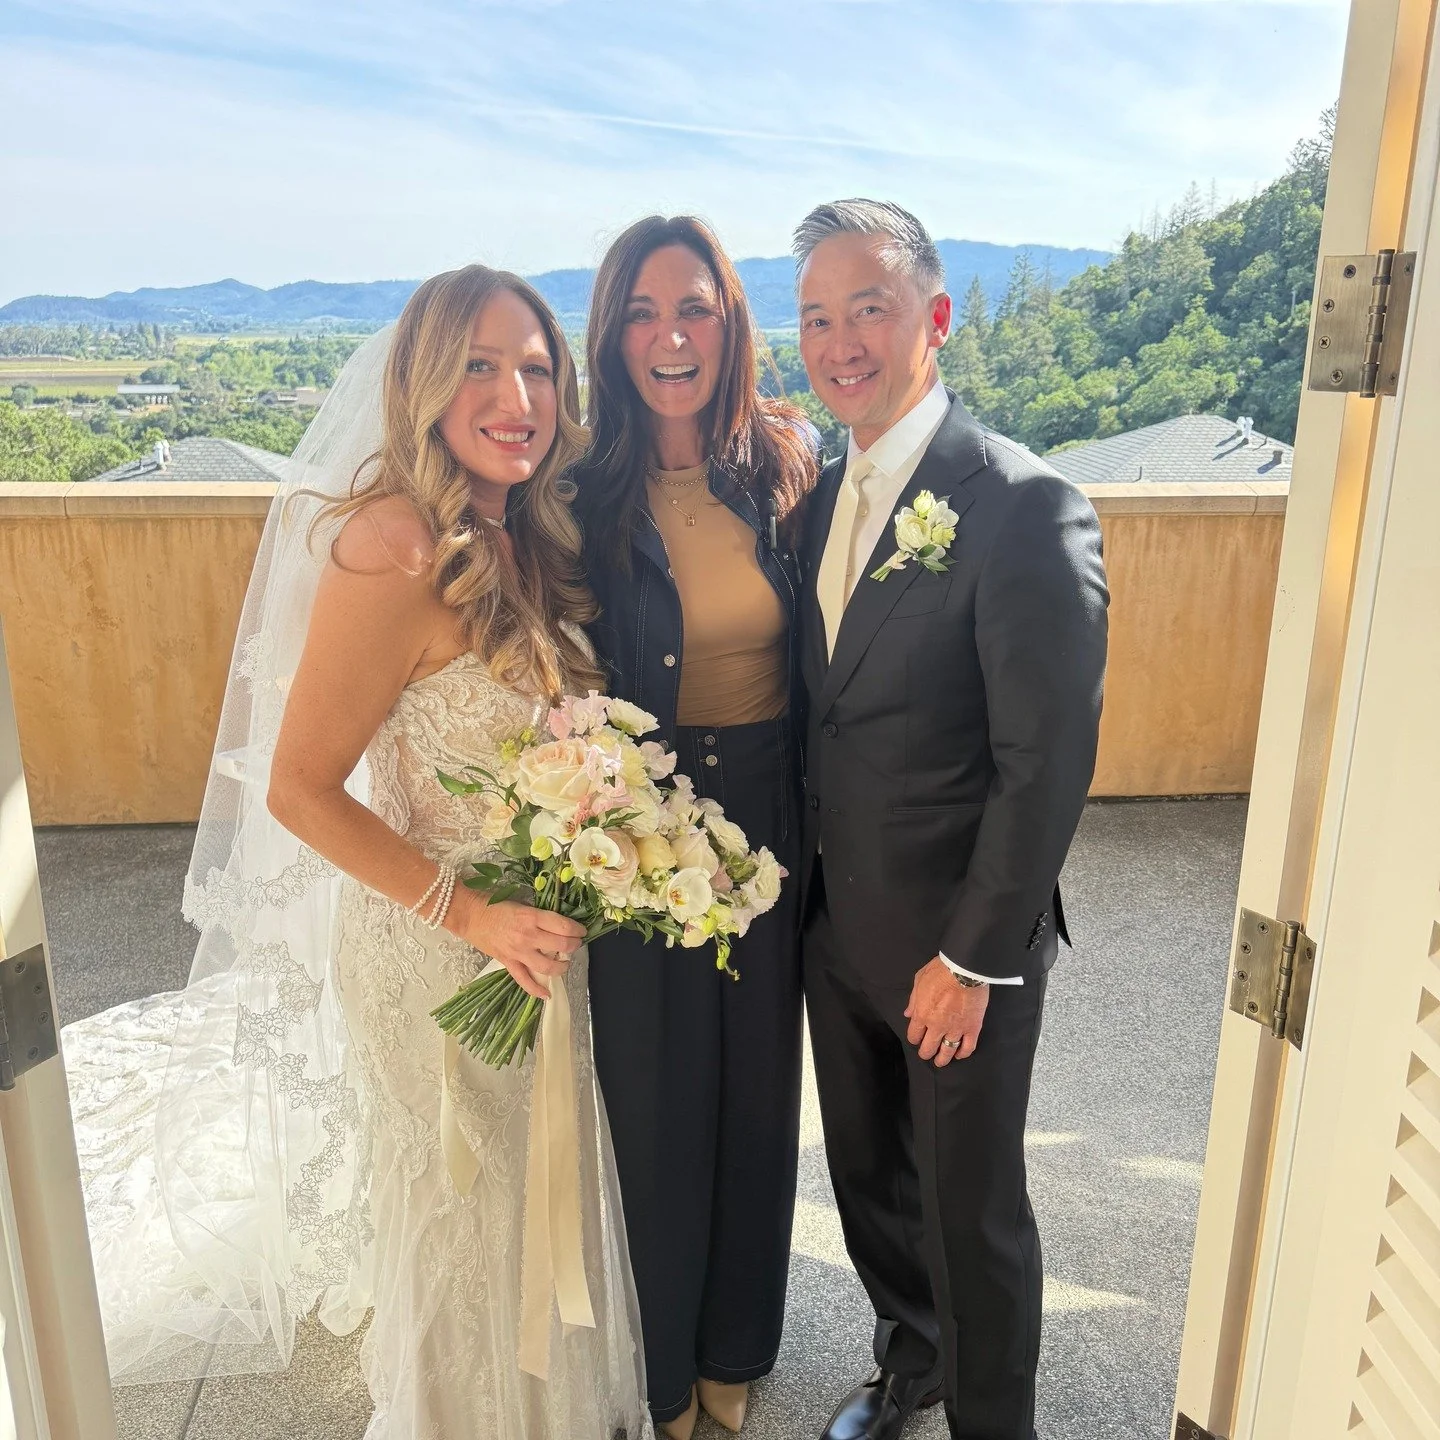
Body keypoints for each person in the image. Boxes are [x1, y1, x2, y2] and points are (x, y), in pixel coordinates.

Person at [62, 267, 652, 1440]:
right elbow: (297, 788)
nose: (516, 394)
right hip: (439, 950)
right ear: (423, 382)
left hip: (532, 942)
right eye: (481, 365)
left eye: (536, 367)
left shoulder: (522, 523)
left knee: (530, 1208)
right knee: (463, 1218)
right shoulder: (392, 540)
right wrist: (473, 914)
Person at [791, 200, 1109, 1440]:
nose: (841, 340)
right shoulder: (821, 496)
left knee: (971, 1210)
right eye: (817, 316)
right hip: (834, 928)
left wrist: (975, 957)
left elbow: (1048, 764)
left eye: (869, 307)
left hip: (954, 948)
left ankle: (993, 1424)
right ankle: (910, 1365)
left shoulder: (1026, 506)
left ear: (934, 317)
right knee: (869, 1185)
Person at [570, 215, 818, 1440]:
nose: (672, 336)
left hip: (771, 809)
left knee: (759, 1094)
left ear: (730, 323)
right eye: (643, 312)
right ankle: (659, 1376)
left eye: (697, 308)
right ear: (613, 334)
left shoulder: (785, 462)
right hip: (640, 822)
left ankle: (737, 1351)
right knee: (654, 1103)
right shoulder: (577, 490)